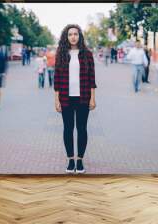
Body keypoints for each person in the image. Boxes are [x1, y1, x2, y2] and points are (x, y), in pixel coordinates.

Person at [54, 24, 97, 174]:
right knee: (67, 129)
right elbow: (57, 79)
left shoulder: (87, 54)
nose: (73, 37)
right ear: (66, 37)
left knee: (82, 129)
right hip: (65, 97)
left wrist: (93, 98)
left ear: (80, 36)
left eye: (76, 34)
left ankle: (79, 160)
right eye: (70, 34)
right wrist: (56, 100)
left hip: (83, 97)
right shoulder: (61, 53)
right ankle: (70, 159)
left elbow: (92, 78)